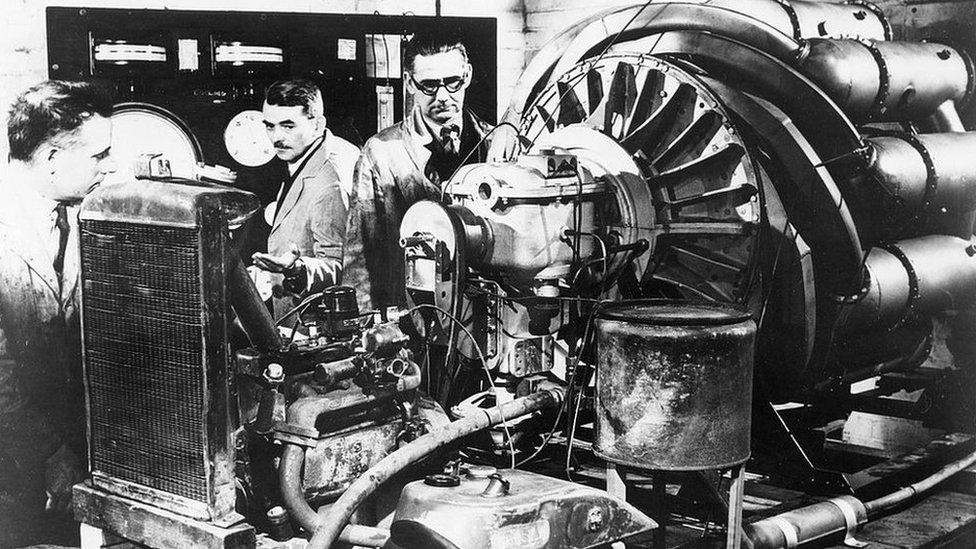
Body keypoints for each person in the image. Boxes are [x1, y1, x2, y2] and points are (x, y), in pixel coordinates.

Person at [0, 80, 116, 546]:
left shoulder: (76, 213)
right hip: (16, 460)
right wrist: (50, 454)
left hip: (71, 448)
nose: (109, 168)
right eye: (99, 156)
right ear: (51, 159)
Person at [344, 31, 498, 312]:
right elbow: (361, 259)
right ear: (409, 83)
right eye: (428, 85)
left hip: (487, 322)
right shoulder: (381, 153)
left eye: (453, 82)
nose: (442, 96)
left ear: (468, 75)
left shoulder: (495, 145)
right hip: (411, 323)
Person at [250, 79, 359, 318]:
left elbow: (341, 267)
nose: (276, 137)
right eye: (270, 126)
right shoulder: (314, 153)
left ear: (318, 123)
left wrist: (296, 270)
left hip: (314, 325)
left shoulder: (329, 181)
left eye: (288, 126)